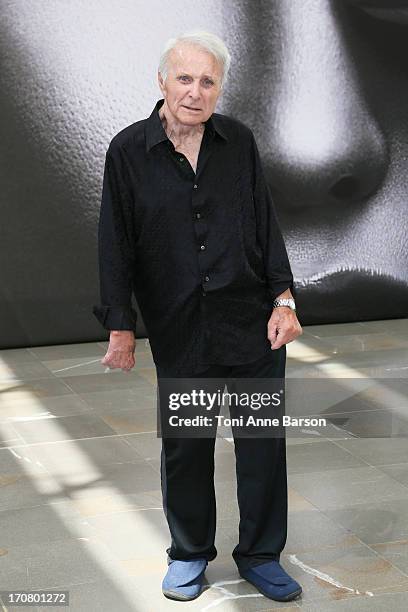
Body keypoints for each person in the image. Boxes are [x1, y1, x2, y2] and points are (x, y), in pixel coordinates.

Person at [93, 29, 303, 602]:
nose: (196, 90)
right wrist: (120, 323)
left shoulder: (239, 142)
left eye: (208, 81)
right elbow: (117, 243)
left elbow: (264, 223)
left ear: (219, 89)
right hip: (180, 327)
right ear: (162, 81)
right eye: (185, 78)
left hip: (253, 322)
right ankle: (188, 553)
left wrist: (284, 299)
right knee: (187, 445)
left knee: (261, 442)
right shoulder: (128, 151)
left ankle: (261, 554)